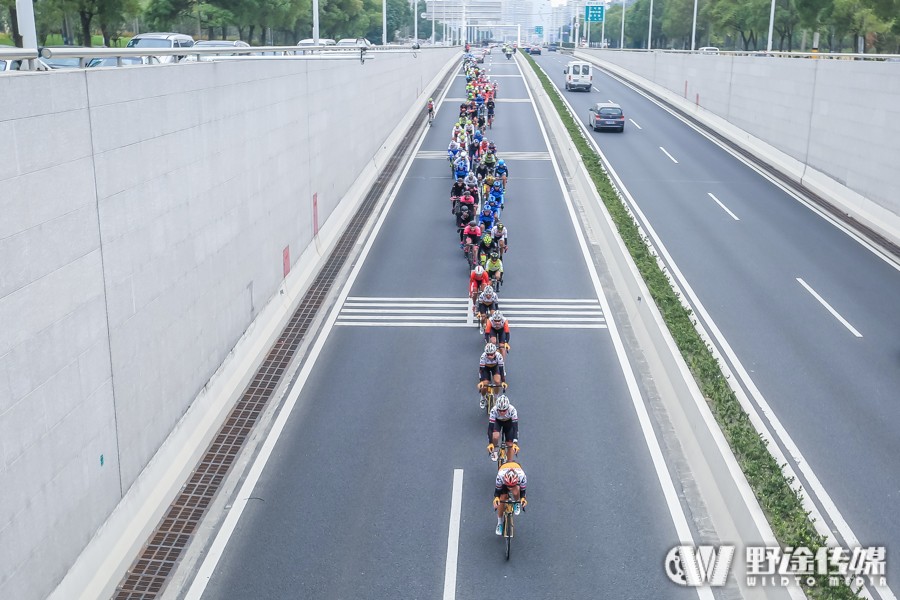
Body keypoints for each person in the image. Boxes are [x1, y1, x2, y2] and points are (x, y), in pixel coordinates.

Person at [494, 461, 527, 534]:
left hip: (516, 468)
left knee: (516, 491)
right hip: (504, 469)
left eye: (512, 486)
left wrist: (522, 499)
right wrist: (496, 498)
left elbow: (523, 490)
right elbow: (497, 491)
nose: (510, 488)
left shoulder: (522, 476)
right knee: (502, 498)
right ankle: (499, 523)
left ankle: (516, 503)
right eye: (508, 486)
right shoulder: (500, 476)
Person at [487, 394, 518, 462]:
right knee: (495, 436)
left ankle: (509, 461)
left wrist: (515, 443)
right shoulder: (493, 410)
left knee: (510, 445)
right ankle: (495, 450)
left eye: (504, 410)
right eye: (499, 410)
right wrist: (490, 443)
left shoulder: (512, 410)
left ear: (507, 408)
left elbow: (515, 428)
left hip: (509, 423)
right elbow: (490, 428)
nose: (502, 412)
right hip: (498, 422)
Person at [478, 342, 507, 409]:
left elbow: (501, 369)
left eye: (491, 354)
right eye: (488, 354)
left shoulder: (499, 356)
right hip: (485, 368)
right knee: (485, 385)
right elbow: (481, 371)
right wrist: (481, 382)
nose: (490, 356)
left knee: (497, 381)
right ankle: (482, 398)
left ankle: (496, 397)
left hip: (495, 367)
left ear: (495, 352)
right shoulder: (483, 357)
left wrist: (503, 381)